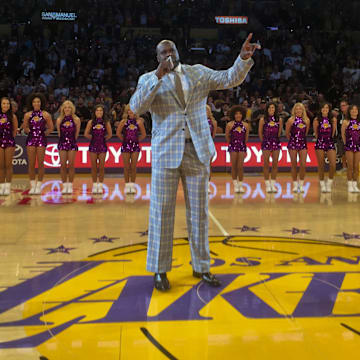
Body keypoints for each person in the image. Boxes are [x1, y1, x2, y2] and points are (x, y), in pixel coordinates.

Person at [129, 34, 260, 291]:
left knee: (199, 213)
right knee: (161, 213)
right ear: (157, 57)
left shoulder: (197, 73)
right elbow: (136, 107)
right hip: (166, 153)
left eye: (172, 50)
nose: (169, 55)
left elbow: (229, 78)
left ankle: (202, 267)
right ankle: (160, 270)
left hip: (197, 151)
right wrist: (158, 75)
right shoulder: (148, 79)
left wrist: (243, 58)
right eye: (163, 52)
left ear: (178, 52)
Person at [23, 93, 54, 194]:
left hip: (41, 140)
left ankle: (39, 185)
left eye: (38, 102)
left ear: (41, 103)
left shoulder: (46, 114)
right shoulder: (27, 115)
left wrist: (44, 133)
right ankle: (33, 186)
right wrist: (30, 132)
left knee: (40, 164)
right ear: (31, 103)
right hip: (31, 140)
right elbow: (25, 127)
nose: (36, 103)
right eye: (34, 102)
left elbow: (51, 127)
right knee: (31, 164)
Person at [116, 104, 146, 194]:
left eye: (132, 110)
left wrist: (136, 140)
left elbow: (144, 134)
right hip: (125, 146)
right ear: (127, 112)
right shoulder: (123, 122)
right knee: (126, 167)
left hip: (135, 146)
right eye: (129, 110)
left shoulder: (139, 122)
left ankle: (132, 185)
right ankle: (127, 186)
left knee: (133, 167)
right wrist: (124, 140)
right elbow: (118, 133)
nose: (131, 112)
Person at [84, 105, 112, 194]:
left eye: (101, 111)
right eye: (97, 110)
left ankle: (100, 185)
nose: (99, 112)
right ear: (94, 112)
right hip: (93, 146)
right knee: (94, 167)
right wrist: (94, 138)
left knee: (101, 167)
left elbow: (110, 134)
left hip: (102, 146)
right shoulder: (91, 122)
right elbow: (86, 134)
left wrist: (102, 139)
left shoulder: (106, 122)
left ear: (103, 112)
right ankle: (94, 185)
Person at [56, 100, 81, 194]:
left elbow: (77, 134)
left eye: (69, 107)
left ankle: (70, 185)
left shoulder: (76, 119)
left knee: (71, 165)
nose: (67, 109)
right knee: (62, 165)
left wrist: (71, 141)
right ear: (63, 109)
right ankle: (64, 185)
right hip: (62, 143)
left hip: (72, 143)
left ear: (72, 109)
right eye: (65, 107)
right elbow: (59, 133)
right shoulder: (59, 120)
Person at [286, 102, 310, 193]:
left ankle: (301, 184)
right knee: (294, 165)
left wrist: (301, 140)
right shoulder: (290, 120)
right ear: (294, 110)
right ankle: (295, 185)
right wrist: (293, 140)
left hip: (303, 144)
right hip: (292, 143)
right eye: (297, 109)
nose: (298, 110)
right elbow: (287, 133)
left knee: (303, 165)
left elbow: (306, 132)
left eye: (300, 108)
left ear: (303, 110)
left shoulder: (307, 120)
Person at [258, 102, 282, 193]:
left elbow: (279, 132)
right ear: (267, 109)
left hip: (276, 142)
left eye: (273, 108)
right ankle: (267, 184)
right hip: (266, 142)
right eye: (270, 108)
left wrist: (275, 139)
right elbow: (260, 132)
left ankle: (273, 184)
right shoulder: (263, 119)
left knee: (275, 163)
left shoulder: (279, 119)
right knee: (266, 164)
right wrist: (264, 141)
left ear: (275, 109)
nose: (271, 110)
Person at [313, 103, 337, 193]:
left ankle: (329, 183)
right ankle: (322, 183)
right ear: (320, 109)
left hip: (330, 142)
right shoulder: (316, 120)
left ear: (329, 109)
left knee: (333, 165)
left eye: (327, 107)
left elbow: (333, 133)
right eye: (323, 107)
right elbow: (316, 133)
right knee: (321, 165)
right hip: (320, 143)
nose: (325, 109)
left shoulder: (333, 119)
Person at [226, 105, 249, 193]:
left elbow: (246, 138)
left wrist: (243, 145)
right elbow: (227, 136)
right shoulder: (229, 124)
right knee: (234, 166)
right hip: (233, 146)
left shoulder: (246, 125)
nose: (238, 115)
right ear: (233, 115)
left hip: (242, 146)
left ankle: (240, 185)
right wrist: (232, 144)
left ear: (242, 115)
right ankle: (235, 185)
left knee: (240, 166)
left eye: (240, 114)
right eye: (236, 114)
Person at [0, 97, 18, 196]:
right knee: (1, 165)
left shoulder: (13, 116)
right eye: (4, 103)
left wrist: (9, 139)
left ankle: (7, 186)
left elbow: (15, 130)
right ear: (1, 105)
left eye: (7, 104)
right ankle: (1, 186)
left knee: (8, 165)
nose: (6, 105)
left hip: (9, 142)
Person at [341, 104, 360, 193]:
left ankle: (355, 184)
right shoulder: (346, 121)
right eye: (352, 110)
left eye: (356, 109)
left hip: (358, 146)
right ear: (349, 111)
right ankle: (350, 185)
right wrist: (346, 144)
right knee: (350, 166)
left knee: (356, 166)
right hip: (349, 146)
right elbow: (343, 134)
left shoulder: (359, 121)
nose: (354, 111)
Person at [207, 104, 217, 193]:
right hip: (199, 144)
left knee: (208, 165)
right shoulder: (198, 120)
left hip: (209, 144)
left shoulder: (213, 122)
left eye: (207, 110)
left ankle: (208, 185)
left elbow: (213, 135)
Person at [337, 100, 349, 173]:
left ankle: (352, 168)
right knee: (342, 153)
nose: (342, 107)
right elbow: (338, 126)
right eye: (341, 106)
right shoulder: (339, 116)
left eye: (344, 105)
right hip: (341, 136)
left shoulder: (351, 115)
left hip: (351, 137)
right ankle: (344, 167)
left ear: (348, 106)